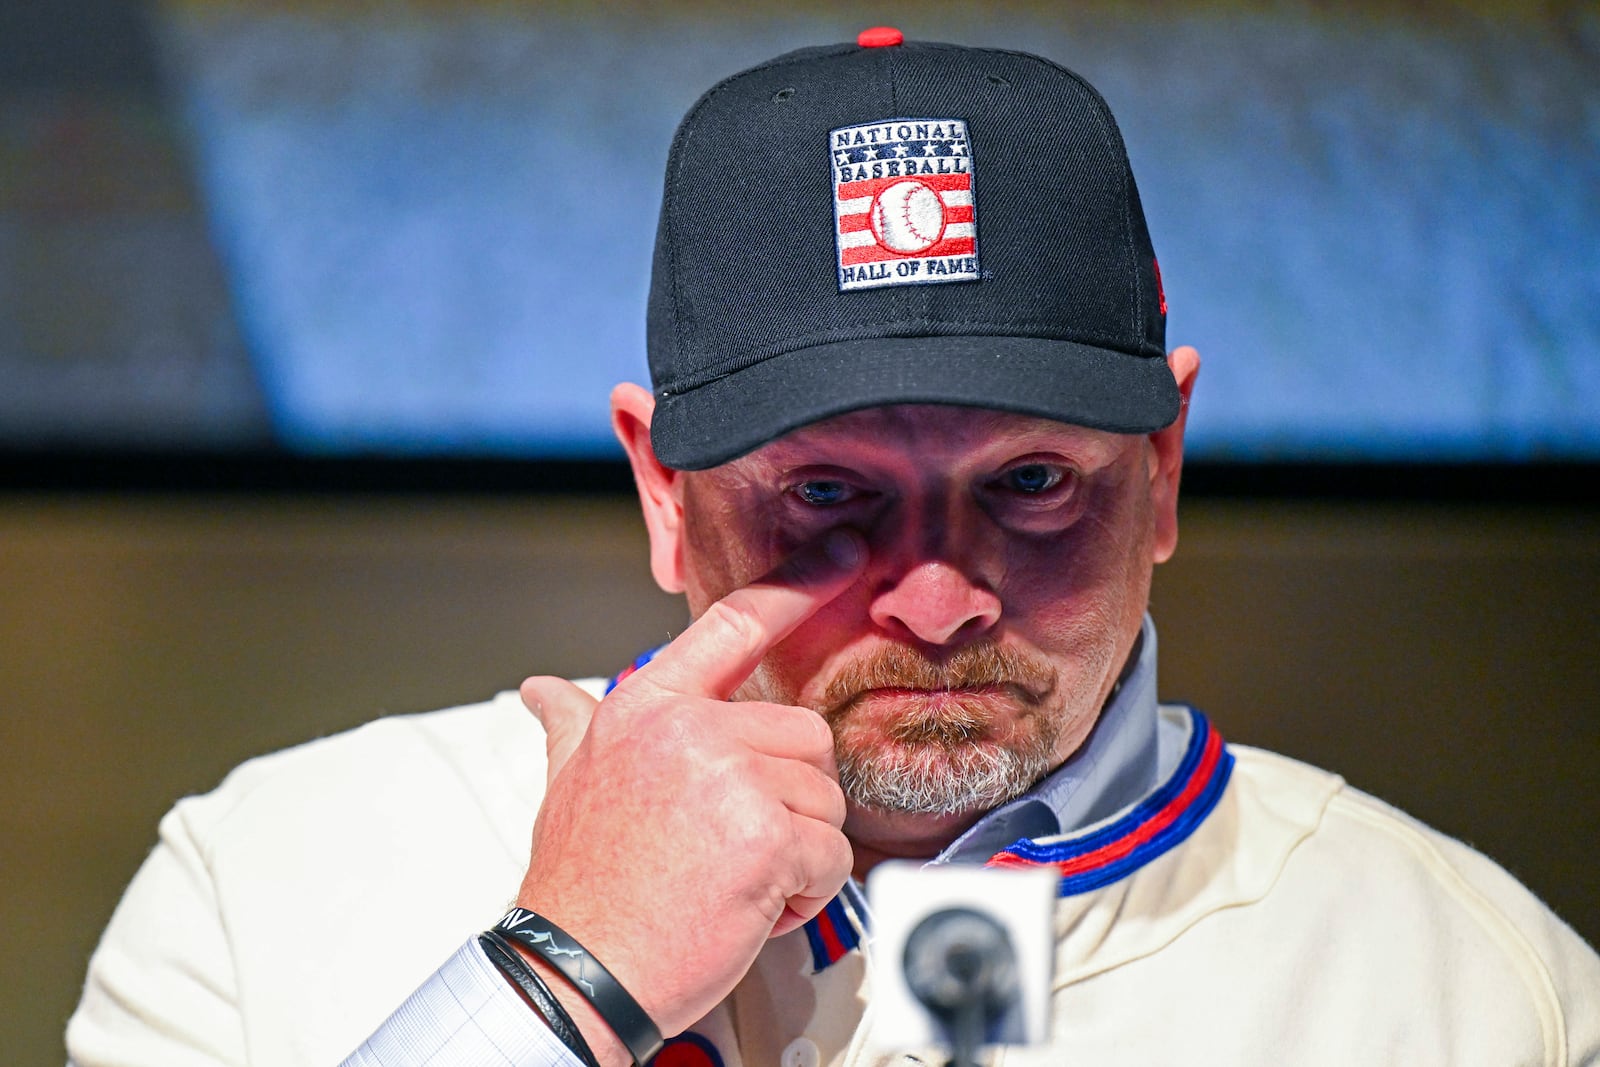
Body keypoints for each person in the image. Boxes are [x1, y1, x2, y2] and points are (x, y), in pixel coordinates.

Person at [67, 29, 1598, 1067]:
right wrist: (562, 976)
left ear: (1166, 469)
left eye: (1036, 480)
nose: (938, 597)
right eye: (828, 496)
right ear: (663, 490)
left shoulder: (1479, 987)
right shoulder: (269, 878)